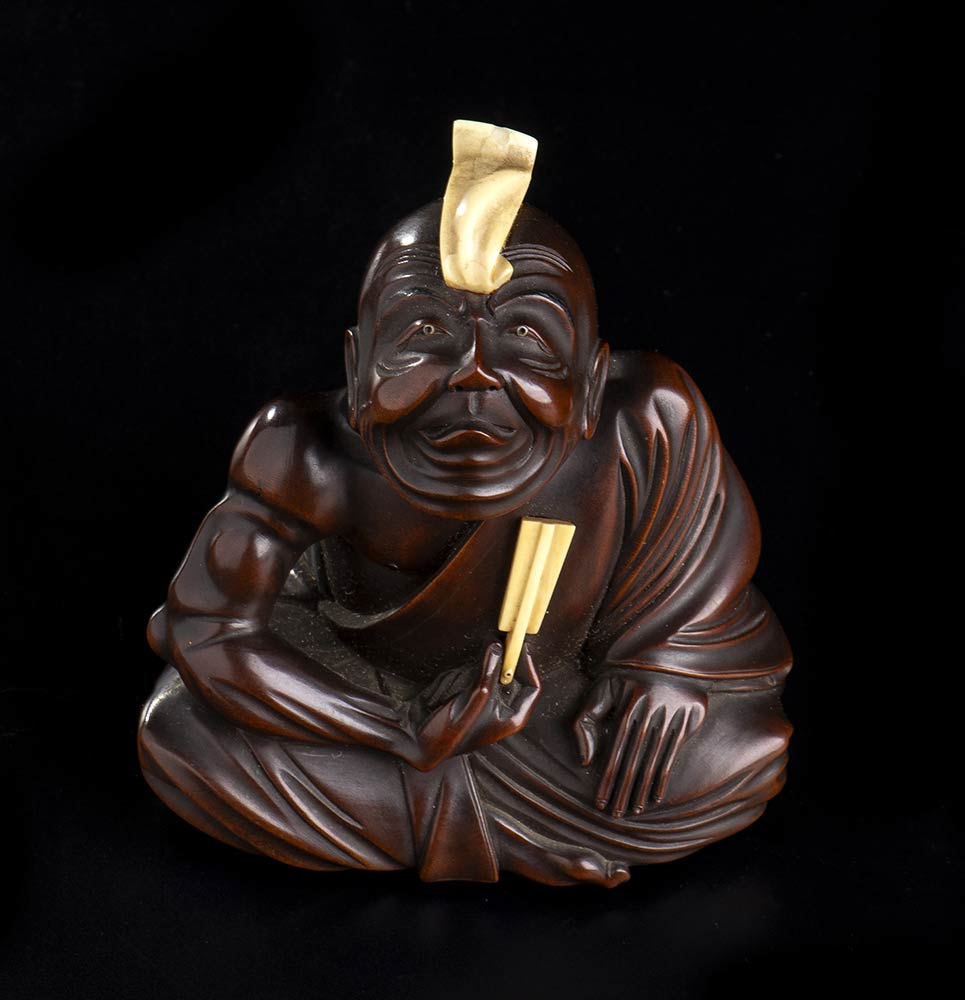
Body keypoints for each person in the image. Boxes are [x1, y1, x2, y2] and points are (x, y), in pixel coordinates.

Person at [138, 130, 792, 887]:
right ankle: (518, 831)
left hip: (548, 710)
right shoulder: (304, 450)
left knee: (736, 752)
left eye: (525, 334)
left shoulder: (647, 417)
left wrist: (663, 667)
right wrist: (405, 730)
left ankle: (433, 811)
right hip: (367, 686)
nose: (475, 372)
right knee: (179, 730)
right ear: (357, 367)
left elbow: (702, 599)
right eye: (424, 332)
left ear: (591, 378)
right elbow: (209, 629)